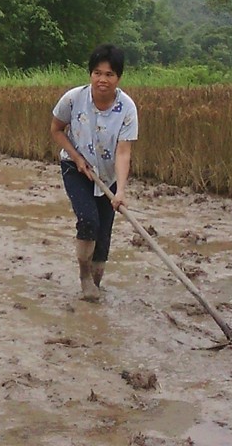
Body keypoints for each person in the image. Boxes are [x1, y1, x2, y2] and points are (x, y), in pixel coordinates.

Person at [50, 43, 138, 301]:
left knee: (104, 231)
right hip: (76, 167)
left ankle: (97, 281)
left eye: (109, 74)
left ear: (118, 78)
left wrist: (120, 191)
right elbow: (56, 129)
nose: (103, 79)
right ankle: (84, 277)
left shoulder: (127, 108)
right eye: (98, 73)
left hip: (108, 174)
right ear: (90, 74)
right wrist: (76, 157)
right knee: (88, 221)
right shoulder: (73, 99)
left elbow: (123, 152)